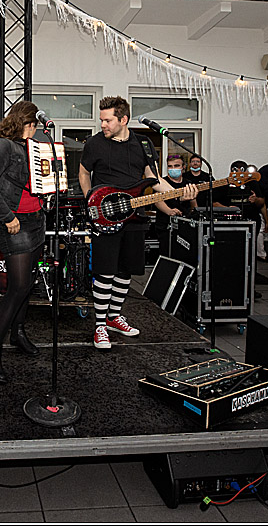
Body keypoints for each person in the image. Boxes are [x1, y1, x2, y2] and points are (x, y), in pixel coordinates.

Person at [79, 96, 195, 350]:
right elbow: (84, 172)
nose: (103, 125)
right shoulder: (94, 144)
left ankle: (113, 316)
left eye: (108, 120)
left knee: (125, 272)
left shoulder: (143, 144)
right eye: (101, 120)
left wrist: (178, 193)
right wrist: (91, 201)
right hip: (105, 215)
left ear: (123, 119)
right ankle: (100, 325)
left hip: (135, 215)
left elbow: (153, 180)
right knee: (105, 272)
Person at [0, 101, 44, 382]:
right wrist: (7, 217)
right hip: (14, 224)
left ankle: (18, 333)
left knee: (27, 285)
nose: (36, 129)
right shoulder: (2, 145)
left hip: (35, 221)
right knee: (16, 288)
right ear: (25, 122)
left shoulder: (30, 146)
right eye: (33, 124)